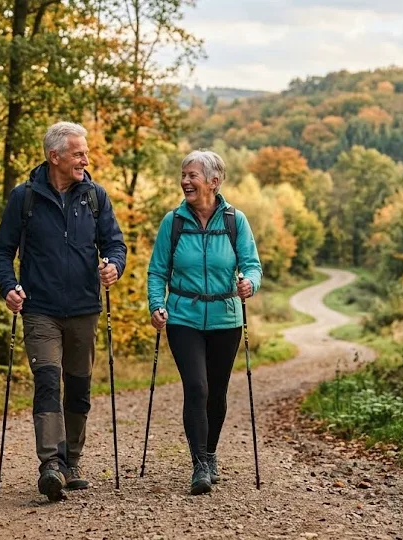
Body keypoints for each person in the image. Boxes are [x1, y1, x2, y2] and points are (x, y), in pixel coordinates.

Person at [0, 121, 127, 502]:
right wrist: (9, 287)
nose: (86, 159)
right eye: (79, 153)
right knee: (48, 381)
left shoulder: (95, 196)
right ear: (55, 157)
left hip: (84, 307)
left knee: (79, 386)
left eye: (85, 152)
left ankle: (72, 461)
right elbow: (2, 251)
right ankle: (50, 465)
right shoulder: (25, 198)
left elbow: (115, 244)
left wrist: (114, 265)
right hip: (40, 309)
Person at [146, 150, 262, 495]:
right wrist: (157, 305)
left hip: (226, 318)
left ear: (214, 181)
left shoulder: (234, 221)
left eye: (192, 175)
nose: (185, 181)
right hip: (184, 317)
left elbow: (252, 264)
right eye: (183, 175)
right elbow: (157, 270)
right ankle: (199, 465)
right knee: (196, 388)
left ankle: (210, 454)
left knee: (217, 392)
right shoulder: (174, 222)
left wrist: (249, 283)